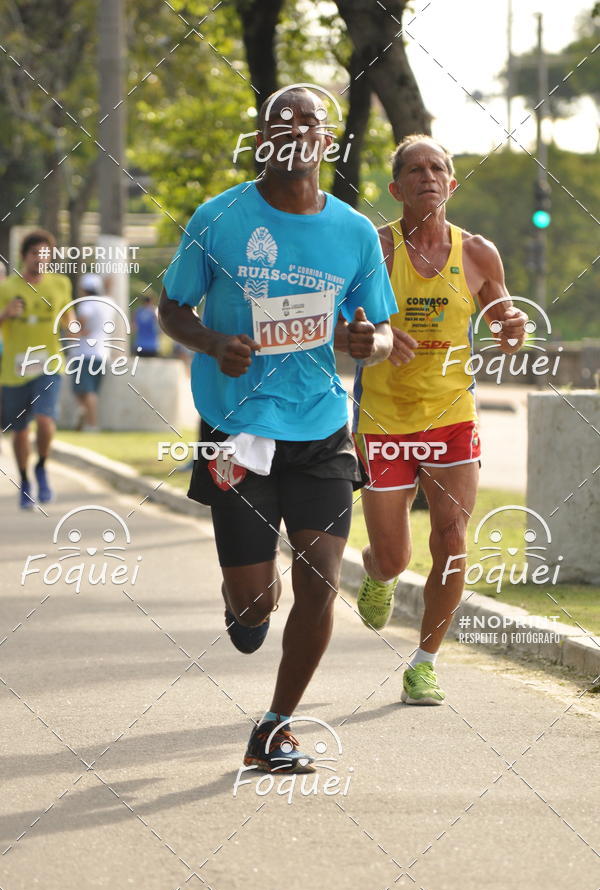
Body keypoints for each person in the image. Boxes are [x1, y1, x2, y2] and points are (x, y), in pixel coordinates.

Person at [159, 86, 396, 772]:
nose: (294, 132)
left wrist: (365, 340)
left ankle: (275, 725)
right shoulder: (219, 216)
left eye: (309, 123)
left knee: (320, 578)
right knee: (257, 602)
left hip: (322, 427)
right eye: (279, 123)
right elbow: (173, 306)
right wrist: (209, 342)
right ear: (263, 139)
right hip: (236, 430)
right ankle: (245, 605)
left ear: (328, 142)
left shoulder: (353, 231)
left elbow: (381, 331)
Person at [350, 135, 527, 704]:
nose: (428, 175)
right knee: (397, 556)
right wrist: (380, 337)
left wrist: (511, 326)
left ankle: (424, 663)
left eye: (438, 168)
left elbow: (502, 317)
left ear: (451, 184)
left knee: (451, 539)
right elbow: (347, 330)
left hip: (452, 415)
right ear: (396, 188)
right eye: (414, 169)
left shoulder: (476, 252)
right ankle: (376, 572)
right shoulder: (375, 249)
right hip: (383, 418)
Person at [0, 230, 74, 508]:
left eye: (46, 254)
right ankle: (25, 479)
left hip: (49, 364)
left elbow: (69, 316)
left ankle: (42, 467)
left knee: (44, 419)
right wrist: (5, 314)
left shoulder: (60, 284)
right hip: (14, 370)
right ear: (24, 256)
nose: (41, 259)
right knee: (19, 432)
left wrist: (75, 326)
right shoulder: (6, 288)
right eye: (35, 254)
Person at [68, 273, 114, 431]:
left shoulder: (86, 304)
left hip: (84, 353)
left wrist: (72, 330)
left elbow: (78, 327)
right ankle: (85, 416)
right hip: (103, 353)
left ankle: (92, 424)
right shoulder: (107, 303)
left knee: (86, 391)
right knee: (90, 391)